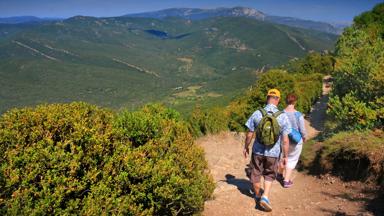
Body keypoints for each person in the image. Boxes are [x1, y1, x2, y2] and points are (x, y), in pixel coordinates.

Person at [243, 89, 291, 212]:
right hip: (273, 153)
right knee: (269, 174)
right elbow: (285, 140)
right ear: (278, 100)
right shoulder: (283, 116)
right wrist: (285, 156)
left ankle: (257, 195)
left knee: (256, 173)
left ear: (267, 98)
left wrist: (246, 147)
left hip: (257, 151)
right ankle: (265, 197)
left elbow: (249, 134)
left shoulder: (257, 113)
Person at [278, 93, 307, 188]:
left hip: (283, 139)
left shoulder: (280, 114)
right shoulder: (298, 115)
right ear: (295, 101)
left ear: (286, 101)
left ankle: (279, 174)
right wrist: (304, 137)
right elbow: (302, 129)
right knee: (292, 159)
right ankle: (286, 181)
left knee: (284, 156)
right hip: (295, 140)